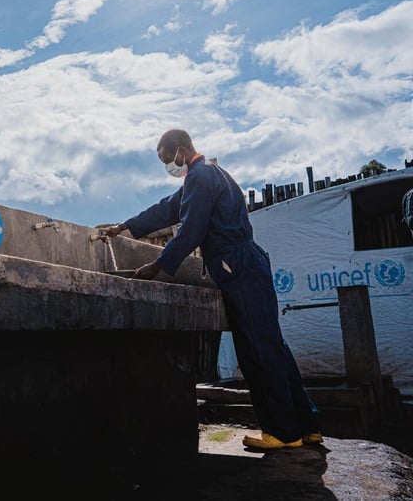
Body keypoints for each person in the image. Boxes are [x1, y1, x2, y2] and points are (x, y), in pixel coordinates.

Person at [99, 129, 321, 450]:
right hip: (247, 264)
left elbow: (190, 231)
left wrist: (158, 265)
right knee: (272, 346)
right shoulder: (206, 175)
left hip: (238, 266)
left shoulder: (200, 179)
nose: (168, 168)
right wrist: (126, 226)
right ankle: (307, 424)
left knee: (257, 352)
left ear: (181, 150)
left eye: (166, 160)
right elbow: (166, 209)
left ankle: (283, 433)